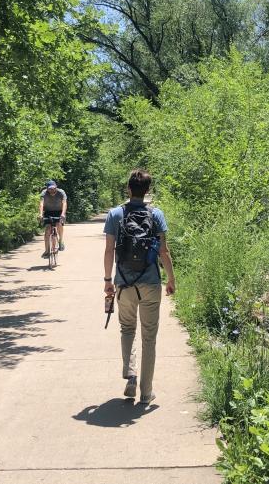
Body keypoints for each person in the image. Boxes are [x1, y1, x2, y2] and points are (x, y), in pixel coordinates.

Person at [103, 169, 175, 405]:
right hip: (151, 281)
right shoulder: (156, 215)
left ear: (128, 189)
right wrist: (171, 279)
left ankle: (130, 375)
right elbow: (163, 251)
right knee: (149, 337)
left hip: (124, 282)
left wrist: (107, 281)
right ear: (147, 191)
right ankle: (146, 392)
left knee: (127, 329)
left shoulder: (115, 214)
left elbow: (109, 251)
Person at [39, 180, 68, 257]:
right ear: (47, 188)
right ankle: (47, 250)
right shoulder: (44, 193)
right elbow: (41, 204)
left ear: (56, 187)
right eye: (50, 189)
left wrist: (63, 214)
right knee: (47, 230)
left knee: (59, 224)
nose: (52, 190)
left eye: (54, 188)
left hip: (59, 211)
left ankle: (61, 240)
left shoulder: (61, 192)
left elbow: (64, 203)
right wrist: (41, 214)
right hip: (48, 211)